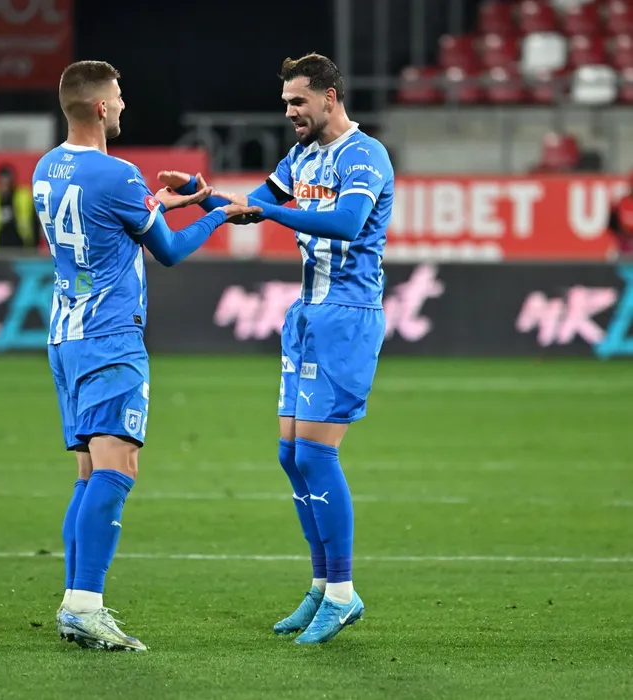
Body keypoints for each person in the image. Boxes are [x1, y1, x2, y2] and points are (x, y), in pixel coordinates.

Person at [160, 53, 394, 645]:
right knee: (292, 455)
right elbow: (250, 208)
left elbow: (347, 222)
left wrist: (266, 210)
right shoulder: (301, 157)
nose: (289, 111)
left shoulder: (364, 155)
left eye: (298, 101)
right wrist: (202, 195)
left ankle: (343, 593)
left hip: (347, 315)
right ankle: (320, 585)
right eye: (286, 102)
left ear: (330, 97)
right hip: (306, 313)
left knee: (317, 455)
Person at [34, 60, 260, 652]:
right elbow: (170, 251)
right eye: (118, 96)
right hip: (110, 337)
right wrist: (217, 213)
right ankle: (85, 606)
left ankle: (75, 602)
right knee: (118, 468)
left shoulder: (46, 167)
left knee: (89, 473)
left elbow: (107, 221)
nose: (123, 104)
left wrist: (158, 204)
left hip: (65, 335)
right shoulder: (118, 174)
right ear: (100, 107)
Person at [0, 163, 37, 254]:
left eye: (8, 181)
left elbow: (34, 224)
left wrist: (33, 249)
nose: (5, 186)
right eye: (2, 181)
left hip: (22, 249)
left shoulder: (24, 197)